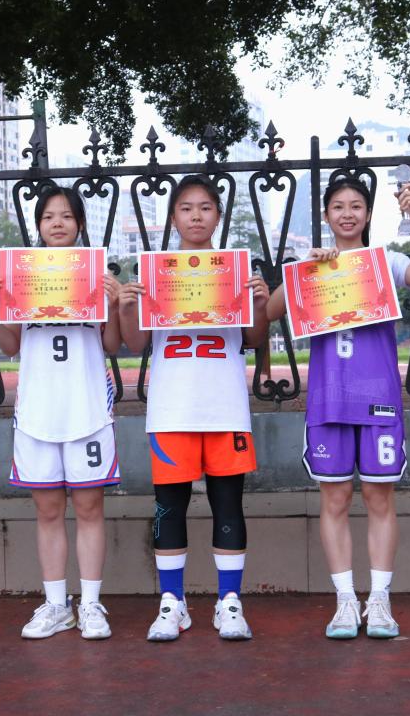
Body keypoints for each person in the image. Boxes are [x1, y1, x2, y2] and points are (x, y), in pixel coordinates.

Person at [266, 178, 410, 639]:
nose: (348, 214)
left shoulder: (384, 261)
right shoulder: (312, 264)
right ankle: (345, 601)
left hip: (378, 398)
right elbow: (270, 310)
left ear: (367, 213)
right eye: (339, 206)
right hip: (329, 401)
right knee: (335, 499)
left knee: (380, 498)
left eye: (357, 206)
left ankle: (379, 600)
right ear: (326, 215)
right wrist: (303, 268)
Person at [118, 174, 270, 642]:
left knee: (229, 504)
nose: (196, 216)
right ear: (173, 217)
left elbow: (254, 338)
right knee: (169, 507)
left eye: (205, 207)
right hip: (172, 409)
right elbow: (135, 344)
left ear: (218, 216)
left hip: (225, 408)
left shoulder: (235, 271)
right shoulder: (157, 273)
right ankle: (173, 603)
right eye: (186, 208)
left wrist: (259, 302)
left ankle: (229, 602)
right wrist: (127, 307)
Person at [0, 185, 122, 640]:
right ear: (38, 225)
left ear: (80, 223)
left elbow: (112, 343)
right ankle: (57, 605)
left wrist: (114, 303)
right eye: (48, 216)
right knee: (47, 509)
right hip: (38, 409)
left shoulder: (96, 273)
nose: (57, 223)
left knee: (89, 506)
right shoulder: (22, 275)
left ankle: (91, 604)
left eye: (66, 216)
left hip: (86, 406)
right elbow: (12, 345)